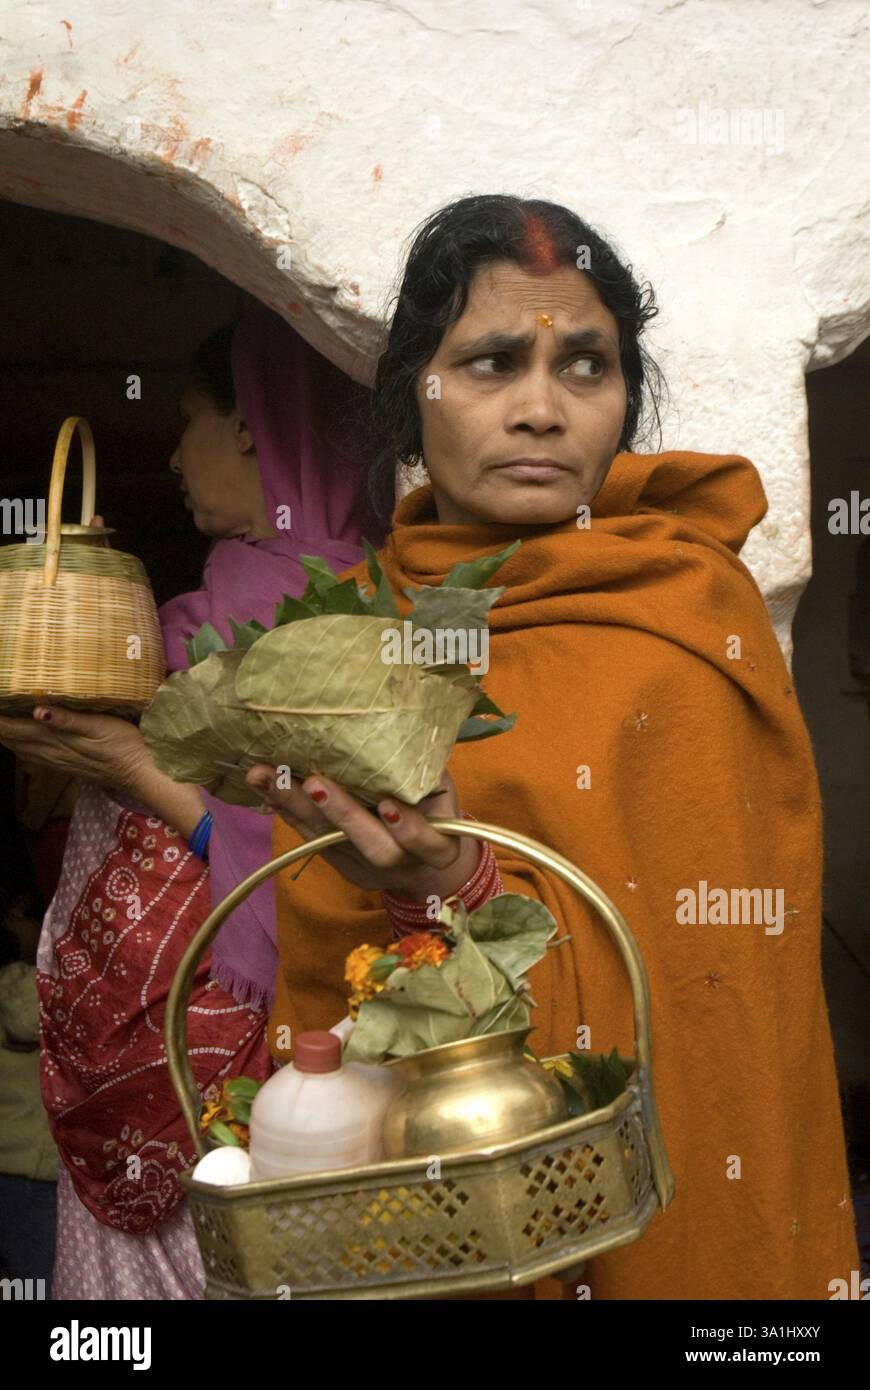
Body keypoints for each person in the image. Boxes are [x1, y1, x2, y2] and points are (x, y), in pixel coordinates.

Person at [247, 194, 860, 1301]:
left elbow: (718, 985)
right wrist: (414, 896)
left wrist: (466, 881)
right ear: (412, 395)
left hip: (671, 1213)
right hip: (428, 1202)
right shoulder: (359, 639)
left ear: (626, 396)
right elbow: (328, 986)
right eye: (490, 364)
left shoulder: (686, 616)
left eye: (585, 366)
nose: (541, 410)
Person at [0, 300, 389, 1299]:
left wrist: (129, 766)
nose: (174, 456)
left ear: (251, 420)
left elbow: (282, 864)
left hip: (199, 1076)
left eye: (185, 422)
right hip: (143, 1054)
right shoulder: (243, 586)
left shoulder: (300, 611)